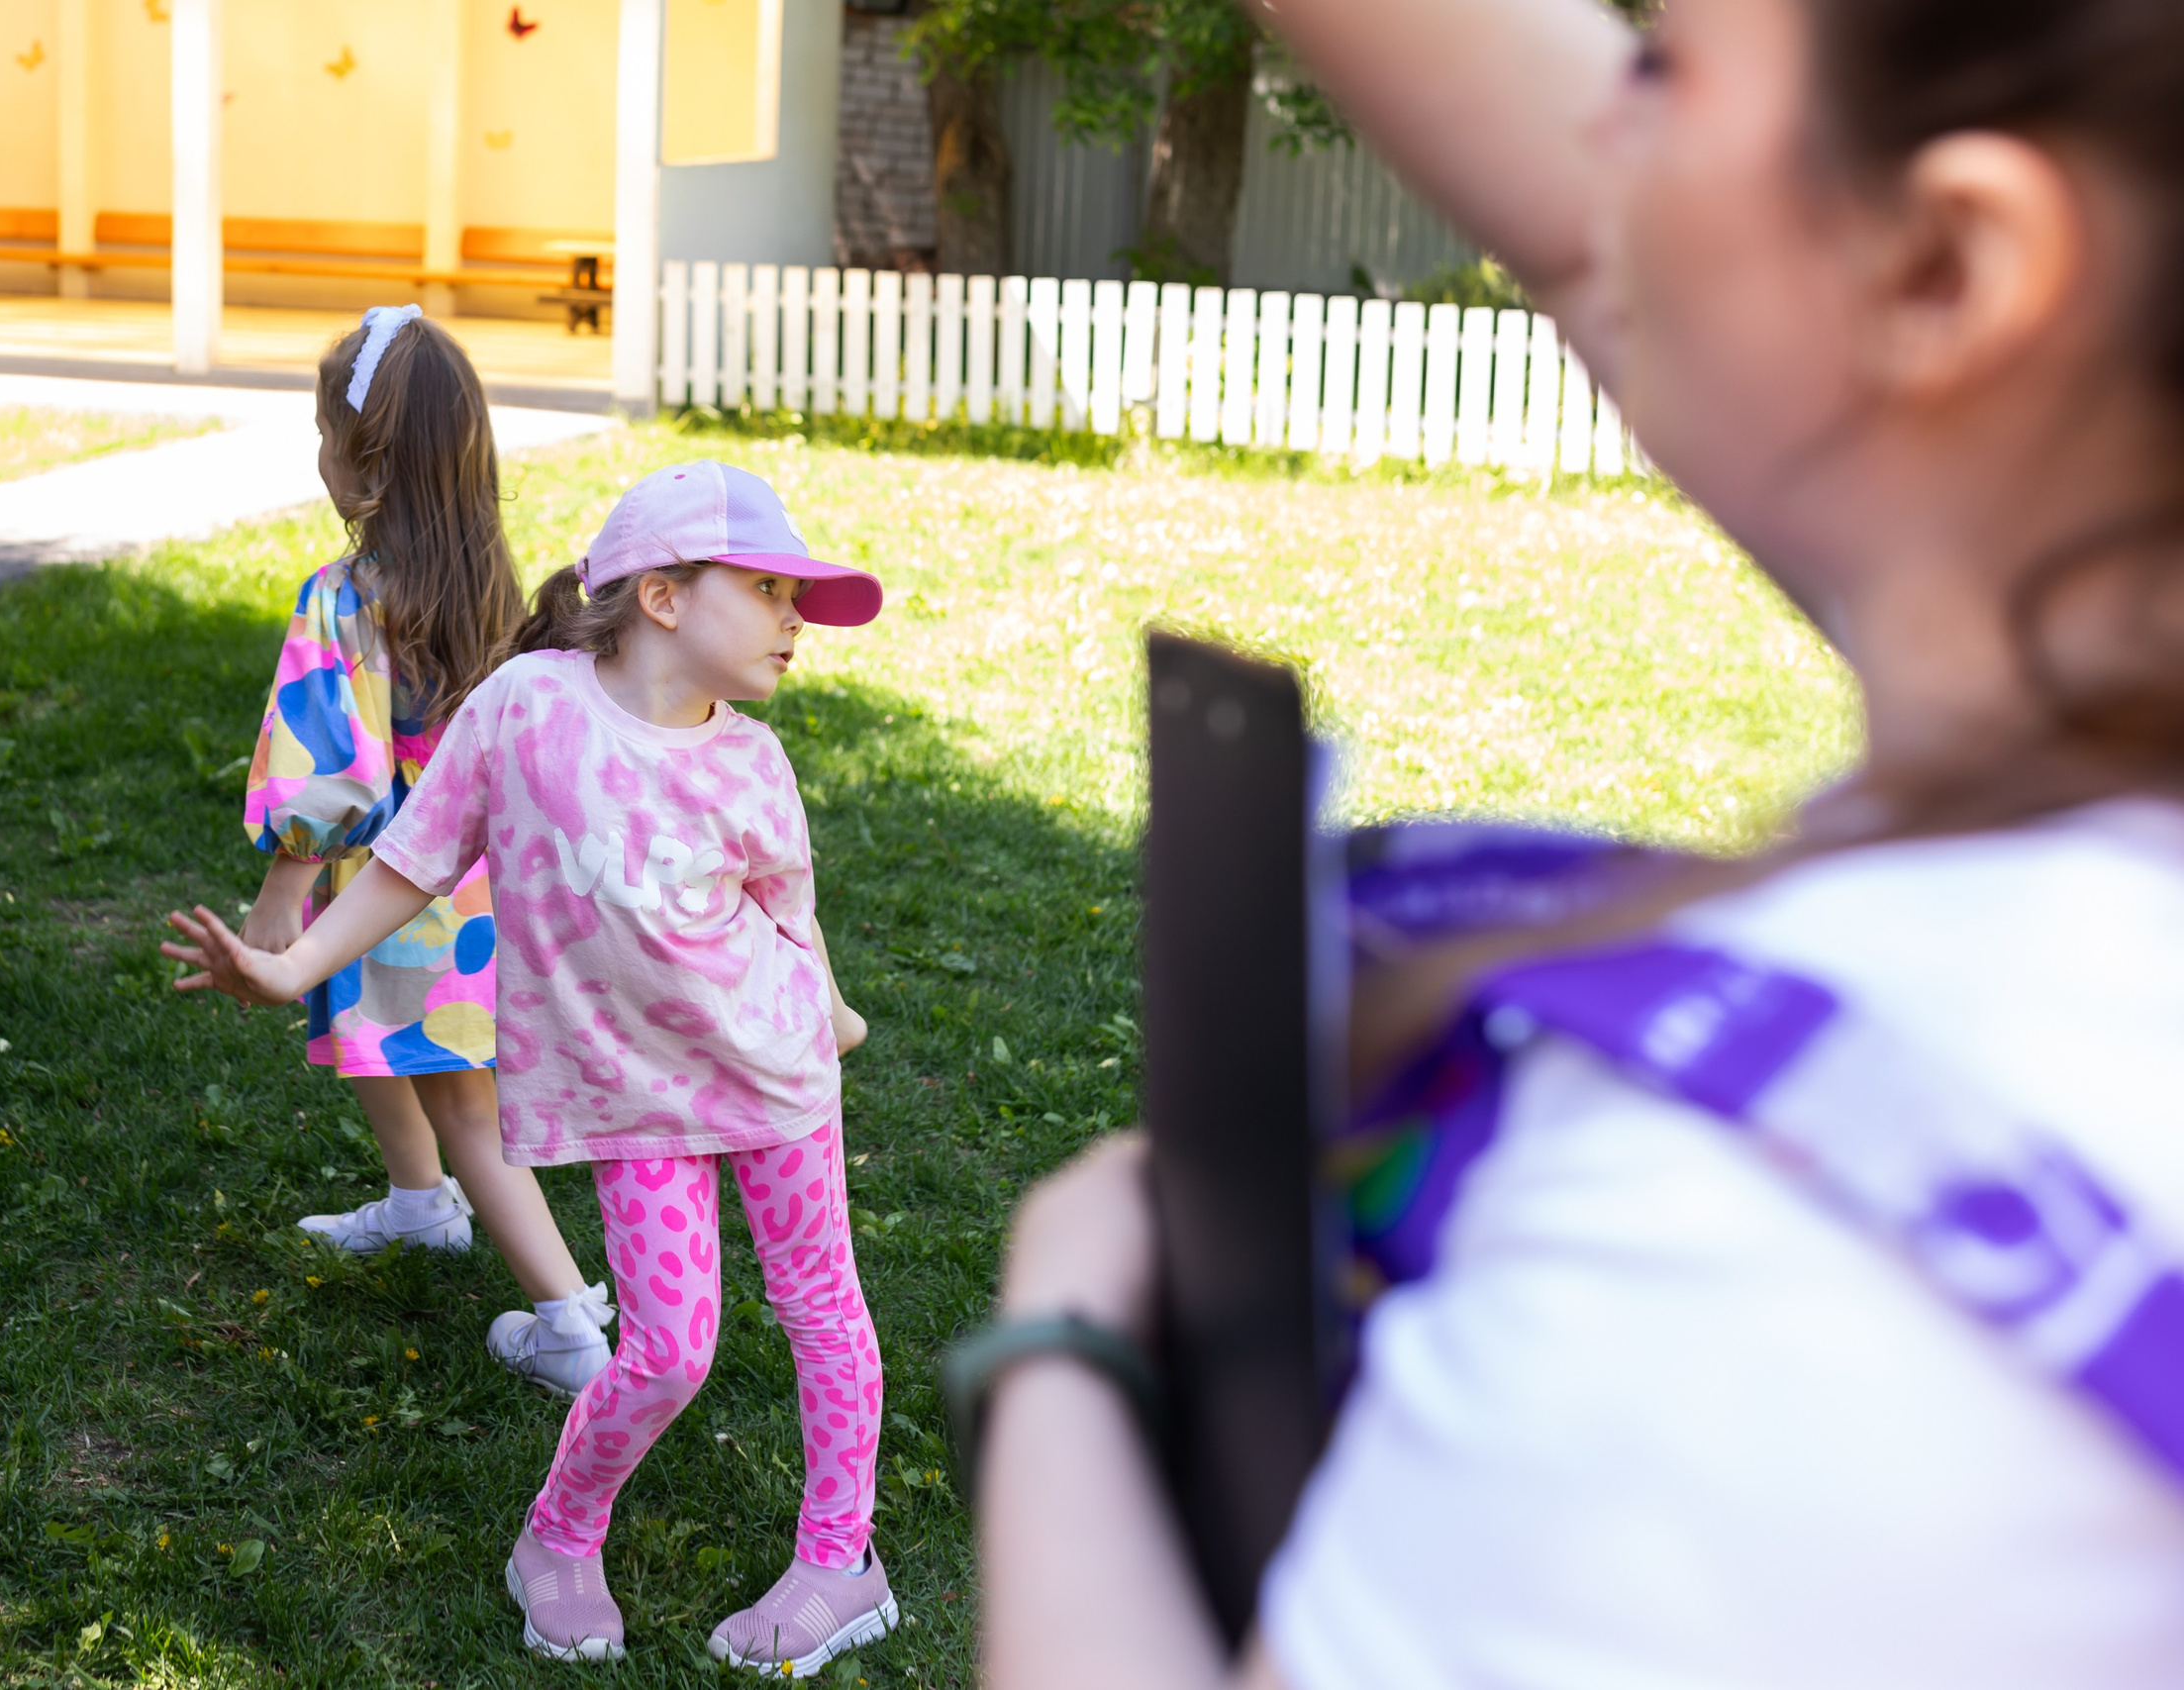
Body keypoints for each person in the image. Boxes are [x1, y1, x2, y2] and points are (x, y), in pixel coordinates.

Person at [968, 1, 2184, 1688]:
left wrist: (1065, 1332)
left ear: (1947, 270)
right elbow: (1581, 225)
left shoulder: (1793, 1234)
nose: (1598, 123)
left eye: (1664, 65)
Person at [162, 460, 892, 1674]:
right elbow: (415, 856)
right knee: (668, 1349)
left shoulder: (754, 762)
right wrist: (293, 971)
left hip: (774, 1077)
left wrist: (831, 1013)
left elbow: (787, 912)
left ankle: (840, 1559)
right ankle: (554, 1539)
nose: (794, 620)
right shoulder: (527, 711)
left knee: (823, 1311)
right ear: (661, 597)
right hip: (631, 1098)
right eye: (767, 590)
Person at [238, 305, 614, 1396]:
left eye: (322, 434)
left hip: (401, 894)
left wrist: (280, 895)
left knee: (467, 1112)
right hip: (485, 895)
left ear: (364, 467)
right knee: (379, 1041)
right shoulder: (498, 591)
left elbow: (332, 764)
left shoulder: (348, 600)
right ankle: (417, 1207)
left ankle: (566, 1321)